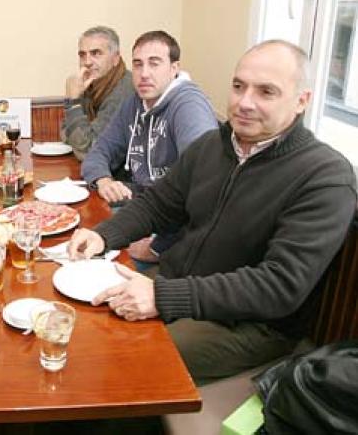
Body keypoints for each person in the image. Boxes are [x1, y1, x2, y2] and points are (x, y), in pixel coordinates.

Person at [69, 39, 357, 385]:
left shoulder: (326, 176)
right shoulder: (212, 145)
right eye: (238, 86)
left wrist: (163, 296)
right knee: (81, 324)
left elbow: (279, 286)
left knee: (119, 357)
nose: (245, 102)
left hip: (246, 324)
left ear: (301, 101)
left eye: (266, 92)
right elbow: (157, 204)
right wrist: (103, 235)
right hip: (178, 283)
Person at [81, 30, 217, 263]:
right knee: (82, 235)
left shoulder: (189, 106)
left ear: (174, 68)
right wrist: (103, 180)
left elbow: (203, 190)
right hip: (143, 208)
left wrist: (158, 248)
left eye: (154, 63)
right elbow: (98, 151)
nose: (144, 73)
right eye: (138, 64)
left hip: (174, 232)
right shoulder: (134, 102)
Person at [61, 26, 136, 161]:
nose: (87, 62)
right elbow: (64, 132)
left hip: (121, 173)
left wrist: (73, 102)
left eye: (96, 53)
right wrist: (78, 140)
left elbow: (89, 152)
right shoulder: (90, 83)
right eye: (82, 55)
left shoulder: (124, 89)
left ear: (115, 58)